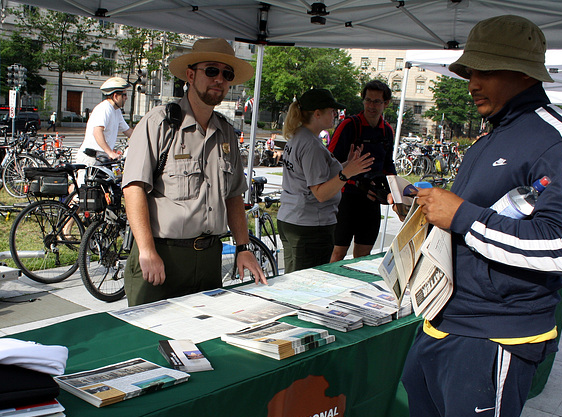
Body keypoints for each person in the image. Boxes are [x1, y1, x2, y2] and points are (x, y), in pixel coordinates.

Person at [400, 16, 562, 417]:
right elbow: (476, 222)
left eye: (483, 70)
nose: (471, 83)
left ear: (523, 72)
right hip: (443, 318)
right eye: (468, 70)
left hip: (496, 335)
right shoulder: (488, 139)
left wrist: (462, 215)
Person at [122, 38, 266, 307]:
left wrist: (243, 247)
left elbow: (234, 195)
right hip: (163, 257)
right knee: (156, 341)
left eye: (227, 74)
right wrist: (146, 250)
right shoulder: (160, 123)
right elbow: (133, 188)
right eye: (211, 70)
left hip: (209, 259)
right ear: (191, 75)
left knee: (205, 340)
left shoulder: (226, 132)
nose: (219, 79)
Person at [277, 88, 372, 273]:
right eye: (331, 111)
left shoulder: (299, 137)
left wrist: (346, 166)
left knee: (293, 280)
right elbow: (320, 193)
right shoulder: (311, 146)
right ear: (317, 114)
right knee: (305, 284)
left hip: (294, 220)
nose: (335, 115)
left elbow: (314, 175)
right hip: (309, 226)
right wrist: (347, 174)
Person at [328, 80, 396, 262]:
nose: (371, 106)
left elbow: (389, 165)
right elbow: (328, 160)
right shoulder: (349, 126)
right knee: (337, 253)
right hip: (346, 198)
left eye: (377, 102)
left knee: (363, 257)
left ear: (386, 103)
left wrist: (395, 191)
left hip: (371, 200)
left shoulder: (387, 131)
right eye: (368, 100)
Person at [76, 77, 133, 183]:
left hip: (103, 159)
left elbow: (128, 131)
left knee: (105, 192)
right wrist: (110, 153)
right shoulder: (104, 109)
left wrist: (145, 139)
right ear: (115, 96)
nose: (126, 98)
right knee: (84, 194)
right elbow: (97, 131)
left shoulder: (116, 111)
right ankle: (72, 198)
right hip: (91, 159)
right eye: (124, 94)